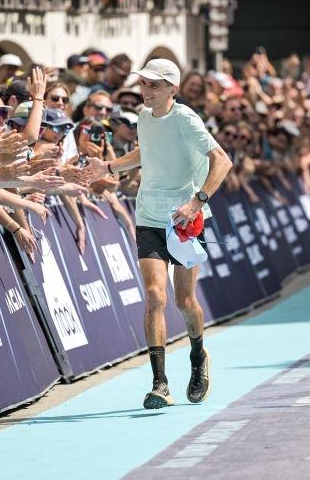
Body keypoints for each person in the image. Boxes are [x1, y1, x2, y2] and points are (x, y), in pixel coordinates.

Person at [84, 59, 232, 409]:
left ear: (172, 89)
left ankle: (198, 355)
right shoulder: (144, 117)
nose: (146, 90)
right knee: (154, 296)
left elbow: (222, 160)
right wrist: (108, 166)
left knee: (184, 301)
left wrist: (196, 203)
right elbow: (146, 152)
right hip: (149, 215)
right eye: (144, 84)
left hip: (183, 220)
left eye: (154, 85)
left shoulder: (187, 120)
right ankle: (160, 383)